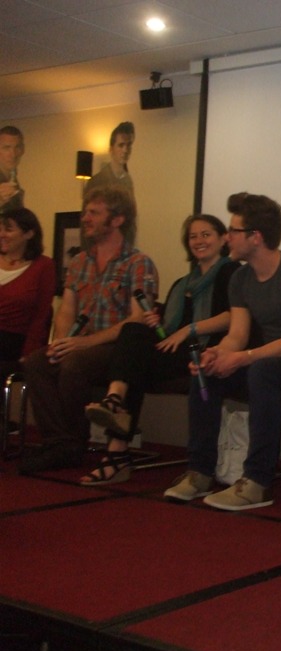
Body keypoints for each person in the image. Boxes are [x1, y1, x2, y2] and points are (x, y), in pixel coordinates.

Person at [164, 192, 281, 511]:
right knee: (207, 372)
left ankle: (257, 481)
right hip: (265, 359)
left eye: (233, 230)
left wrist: (244, 357)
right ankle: (199, 472)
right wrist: (216, 354)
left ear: (256, 237)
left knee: (261, 370)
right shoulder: (240, 277)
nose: (227, 237)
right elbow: (237, 336)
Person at [80, 214, 240, 485]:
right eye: (193, 236)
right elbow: (167, 334)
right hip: (177, 350)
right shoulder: (181, 284)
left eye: (206, 234)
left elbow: (233, 316)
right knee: (134, 334)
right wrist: (159, 325)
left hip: (208, 350)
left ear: (223, 238)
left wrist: (188, 329)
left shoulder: (231, 272)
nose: (198, 241)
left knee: (133, 362)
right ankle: (115, 403)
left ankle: (117, 453)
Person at [20, 185, 159, 474]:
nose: (85, 218)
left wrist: (84, 343)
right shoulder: (79, 261)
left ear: (117, 219)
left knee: (74, 365)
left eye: (94, 213)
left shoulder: (138, 263)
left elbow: (137, 319)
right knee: (37, 362)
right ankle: (58, 442)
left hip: (116, 348)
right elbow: (67, 309)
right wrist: (61, 342)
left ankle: (74, 442)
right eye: (86, 212)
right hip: (80, 343)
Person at [0, 209, 56, 381]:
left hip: (12, 339)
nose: (2, 234)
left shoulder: (43, 266)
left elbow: (41, 315)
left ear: (29, 234)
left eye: (8, 229)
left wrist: (29, 352)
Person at [85, 122, 135, 199]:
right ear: (111, 149)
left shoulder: (128, 181)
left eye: (128, 145)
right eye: (121, 145)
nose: (125, 150)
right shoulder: (97, 181)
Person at [0, 126, 26, 214]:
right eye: (6, 148)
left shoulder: (13, 177)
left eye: (17, 147)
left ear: (23, 149)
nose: (13, 154)